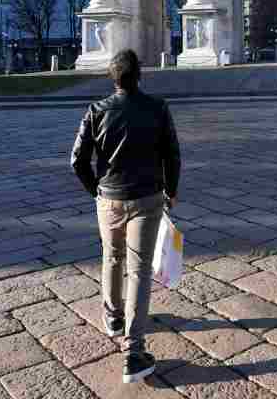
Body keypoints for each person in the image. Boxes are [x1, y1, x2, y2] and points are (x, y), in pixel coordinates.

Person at [70, 49, 181, 385]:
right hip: (147, 199)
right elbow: (172, 154)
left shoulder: (96, 110)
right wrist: (171, 191)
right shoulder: (158, 108)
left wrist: (97, 190)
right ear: (140, 76)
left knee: (111, 258)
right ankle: (134, 352)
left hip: (109, 199)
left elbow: (77, 160)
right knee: (139, 272)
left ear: (112, 78)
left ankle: (113, 317)